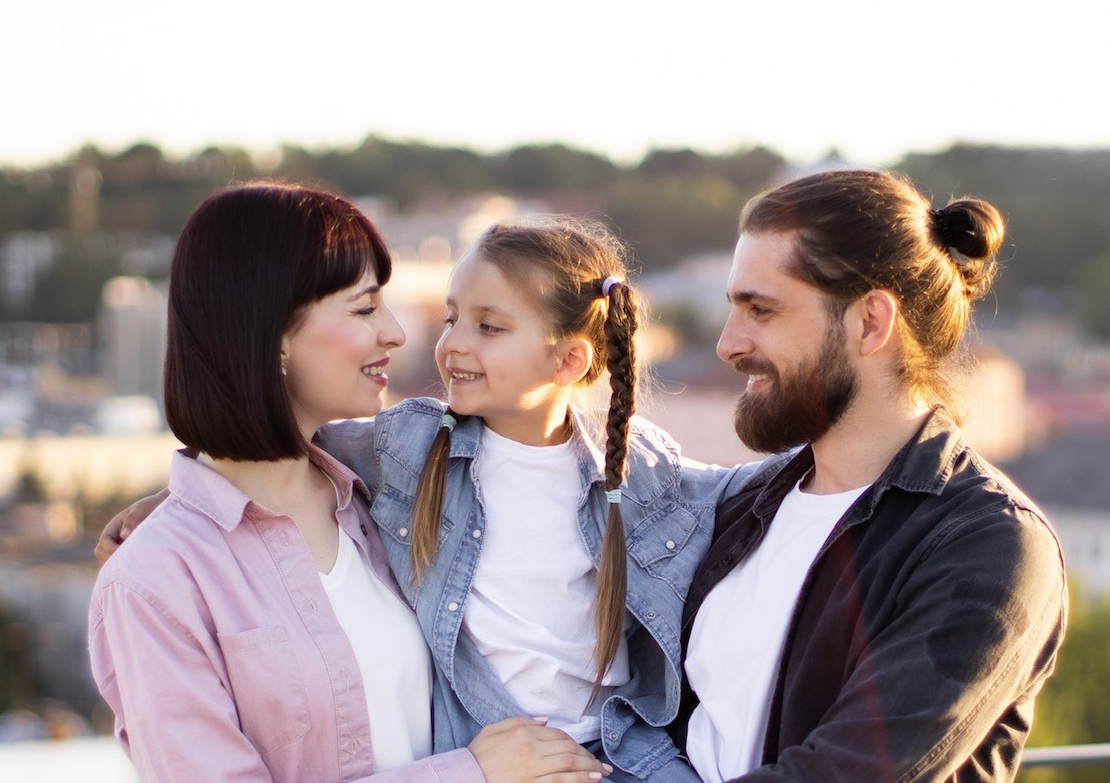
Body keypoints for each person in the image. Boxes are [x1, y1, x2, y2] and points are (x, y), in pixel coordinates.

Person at [88, 184, 612, 783]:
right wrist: (470, 775)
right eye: (364, 309)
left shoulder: (382, 504)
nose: (395, 333)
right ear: (273, 333)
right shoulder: (154, 580)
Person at [674, 169, 1067, 783]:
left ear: (870, 323)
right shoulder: (744, 505)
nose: (728, 343)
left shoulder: (989, 543)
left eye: (762, 309)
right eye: (733, 308)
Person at [316, 218, 735, 783]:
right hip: (484, 753)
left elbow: (753, 486)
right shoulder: (411, 445)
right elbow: (276, 447)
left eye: (488, 327)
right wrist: (181, 492)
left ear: (568, 362)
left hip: (619, 756)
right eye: (451, 317)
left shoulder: (638, 470)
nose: (454, 343)